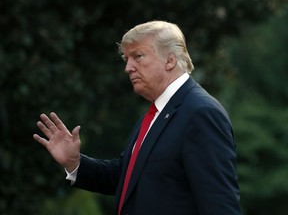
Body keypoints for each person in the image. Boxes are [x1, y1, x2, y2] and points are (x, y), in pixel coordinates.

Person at [33, 20, 242, 215]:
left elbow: (220, 204)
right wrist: (74, 162)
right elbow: (126, 178)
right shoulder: (156, 114)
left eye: (138, 56)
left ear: (170, 60)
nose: (128, 67)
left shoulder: (201, 113)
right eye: (126, 59)